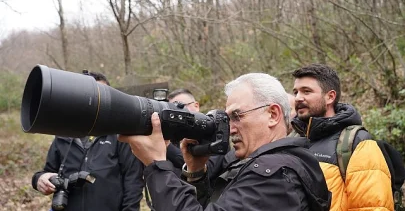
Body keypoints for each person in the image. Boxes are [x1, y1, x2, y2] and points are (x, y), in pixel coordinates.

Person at [119, 73, 331, 210]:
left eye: (238, 116)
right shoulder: (275, 163)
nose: (230, 128)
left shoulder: (274, 174)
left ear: (273, 115)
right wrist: (196, 172)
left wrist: (156, 165)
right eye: (228, 118)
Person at [32, 71, 144, 211]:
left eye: (101, 94)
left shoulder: (121, 136)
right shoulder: (62, 136)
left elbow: (133, 180)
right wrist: (39, 179)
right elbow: (47, 172)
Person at [290, 63, 394, 211]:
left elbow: (372, 207)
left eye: (306, 91)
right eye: (296, 92)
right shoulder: (291, 139)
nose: (298, 98)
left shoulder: (356, 143)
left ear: (330, 97)